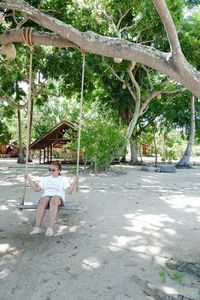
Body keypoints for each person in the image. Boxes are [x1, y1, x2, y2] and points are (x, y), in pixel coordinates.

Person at [25, 160, 79, 237]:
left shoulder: (63, 179)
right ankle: (37, 227)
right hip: (47, 196)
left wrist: (75, 182)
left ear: (59, 170)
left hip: (58, 197)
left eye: (53, 170)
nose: (51, 171)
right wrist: (28, 179)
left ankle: (50, 227)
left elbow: (69, 192)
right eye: (49, 170)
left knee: (53, 200)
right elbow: (36, 189)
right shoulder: (45, 179)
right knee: (42, 201)